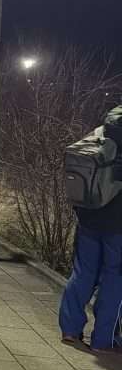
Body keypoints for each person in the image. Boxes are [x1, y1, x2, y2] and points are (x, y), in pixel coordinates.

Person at [59, 107, 122, 352]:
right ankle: (103, 340)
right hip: (118, 225)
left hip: (89, 214)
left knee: (82, 272)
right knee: (115, 278)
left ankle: (70, 330)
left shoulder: (105, 130)